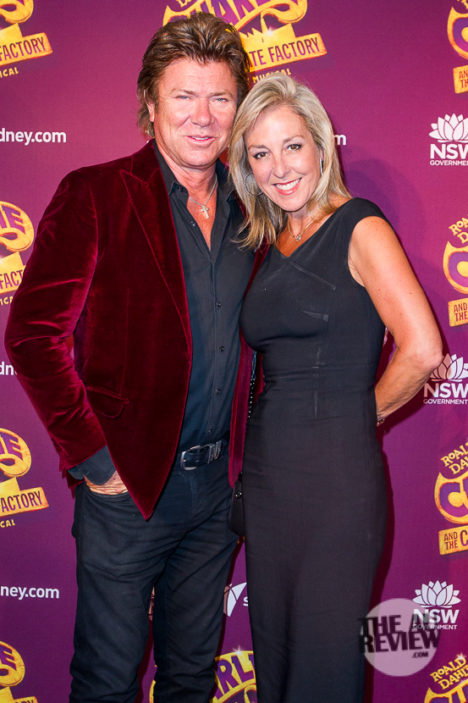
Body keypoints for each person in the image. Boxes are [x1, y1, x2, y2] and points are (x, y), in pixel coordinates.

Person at [5, 13, 253, 703]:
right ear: (150, 102)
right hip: (129, 490)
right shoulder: (97, 193)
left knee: (190, 678)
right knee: (108, 682)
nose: (203, 116)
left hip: (218, 493)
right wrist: (94, 460)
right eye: (184, 96)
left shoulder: (255, 209)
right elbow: (31, 335)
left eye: (220, 97)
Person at [228, 74, 443, 703]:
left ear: (321, 146)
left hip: (336, 482)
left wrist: (355, 418)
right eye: (260, 154)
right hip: (268, 482)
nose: (279, 168)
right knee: (276, 657)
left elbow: (424, 349)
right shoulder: (269, 241)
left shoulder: (360, 227)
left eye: (292, 146)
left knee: (324, 667)